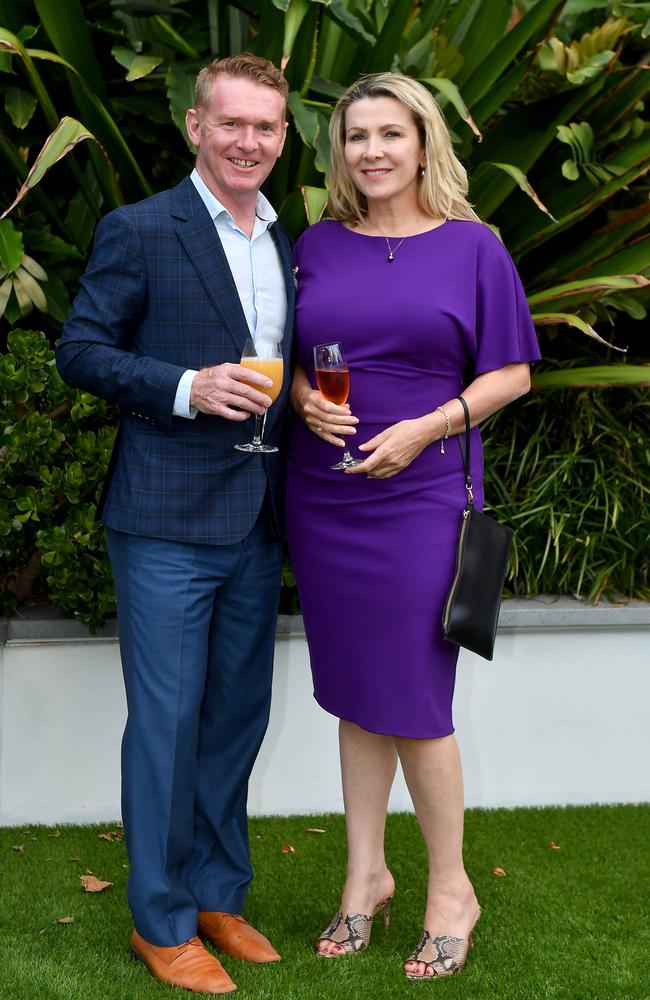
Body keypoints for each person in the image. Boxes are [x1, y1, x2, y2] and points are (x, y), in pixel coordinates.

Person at [286, 72, 541, 981]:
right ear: (340, 152)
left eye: (390, 133)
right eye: (356, 136)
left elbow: (511, 374)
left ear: (423, 143)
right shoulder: (315, 243)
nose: (372, 151)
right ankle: (364, 879)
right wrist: (306, 397)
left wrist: (428, 426)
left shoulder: (474, 249)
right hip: (325, 496)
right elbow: (285, 354)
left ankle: (450, 889)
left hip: (423, 497)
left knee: (417, 705)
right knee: (356, 692)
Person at [56, 54, 294, 995]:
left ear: (284, 137)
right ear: (195, 126)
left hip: (261, 515)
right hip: (162, 517)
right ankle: (158, 922)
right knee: (165, 721)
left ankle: (215, 894)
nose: (248, 142)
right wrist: (187, 388)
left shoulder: (288, 236)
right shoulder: (140, 228)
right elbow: (81, 350)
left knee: (237, 717)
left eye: (266, 128)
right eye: (231, 124)